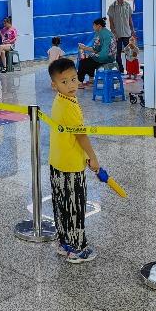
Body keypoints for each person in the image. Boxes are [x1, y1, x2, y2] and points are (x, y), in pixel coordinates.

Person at [47, 57, 100, 263]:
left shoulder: (61, 100)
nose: (71, 85)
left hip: (57, 161)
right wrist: (92, 157)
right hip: (70, 166)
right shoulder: (69, 106)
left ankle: (64, 243)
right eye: (64, 81)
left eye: (74, 79)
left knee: (61, 204)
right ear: (54, 85)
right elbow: (81, 135)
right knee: (75, 207)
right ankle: (77, 249)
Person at [77, 18, 116, 87]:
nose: (93, 27)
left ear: (99, 26)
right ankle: (91, 79)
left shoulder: (99, 34)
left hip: (103, 58)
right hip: (112, 57)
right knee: (90, 59)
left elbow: (95, 49)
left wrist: (84, 47)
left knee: (83, 62)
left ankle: (79, 82)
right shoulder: (109, 32)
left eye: (94, 25)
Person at [107, 0, 135, 73]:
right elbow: (111, 22)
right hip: (117, 34)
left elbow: (130, 19)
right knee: (118, 52)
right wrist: (114, 33)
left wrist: (132, 30)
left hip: (127, 33)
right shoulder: (112, 7)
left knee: (129, 52)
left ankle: (129, 70)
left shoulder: (127, 5)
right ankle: (121, 69)